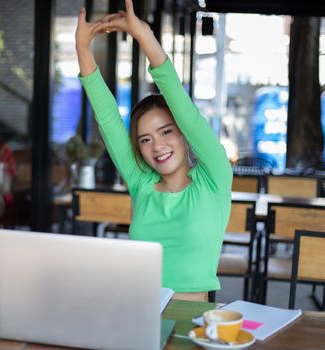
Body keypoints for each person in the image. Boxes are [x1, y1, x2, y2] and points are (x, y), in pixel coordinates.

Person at [75, 0, 232, 301]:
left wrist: (144, 36)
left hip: (193, 322)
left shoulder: (214, 177)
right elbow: (107, 118)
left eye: (166, 132)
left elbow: (183, 109)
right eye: (145, 139)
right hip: (137, 313)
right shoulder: (142, 182)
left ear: (185, 133)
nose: (157, 146)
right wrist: (83, 49)